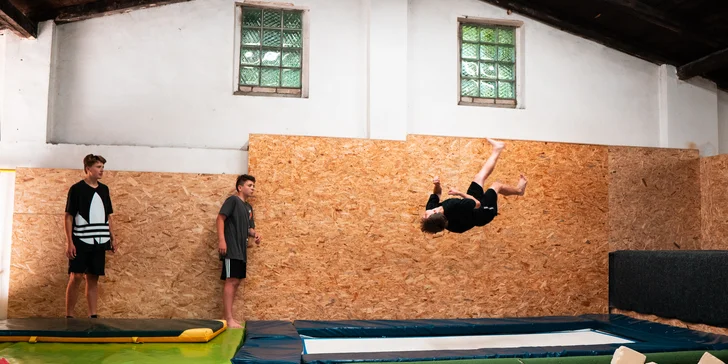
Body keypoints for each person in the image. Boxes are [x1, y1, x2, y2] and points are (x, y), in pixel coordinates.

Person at [421, 138, 527, 234]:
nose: (423, 215)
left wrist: (437, 184)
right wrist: (459, 193)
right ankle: (519, 190)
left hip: (471, 208)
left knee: (479, 177)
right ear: (435, 212)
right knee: (496, 186)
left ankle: (497, 148)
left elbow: (437, 193)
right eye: (426, 216)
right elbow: (477, 203)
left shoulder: (432, 210)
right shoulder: (454, 207)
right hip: (483, 212)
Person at [65, 154, 117, 318]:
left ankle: (93, 315)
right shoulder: (76, 189)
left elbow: (108, 215)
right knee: (77, 276)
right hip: (80, 240)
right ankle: (69, 315)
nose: (102, 170)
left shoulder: (104, 189)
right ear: (88, 169)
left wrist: (112, 237)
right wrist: (69, 242)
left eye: (102, 167)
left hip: (100, 240)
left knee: (93, 277)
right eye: (98, 167)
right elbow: (68, 216)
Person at [217, 174, 261, 328]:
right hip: (231, 248)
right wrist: (222, 240)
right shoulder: (233, 201)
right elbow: (220, 218)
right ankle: (228, 319)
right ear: (240, 187)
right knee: (231, 281)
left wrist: (255, 234)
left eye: (254, 186)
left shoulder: (248, 208)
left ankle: (229, 318)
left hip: (241, 250)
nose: (253, 188)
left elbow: (249, 228)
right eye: (250, 185)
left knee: (236, 281)